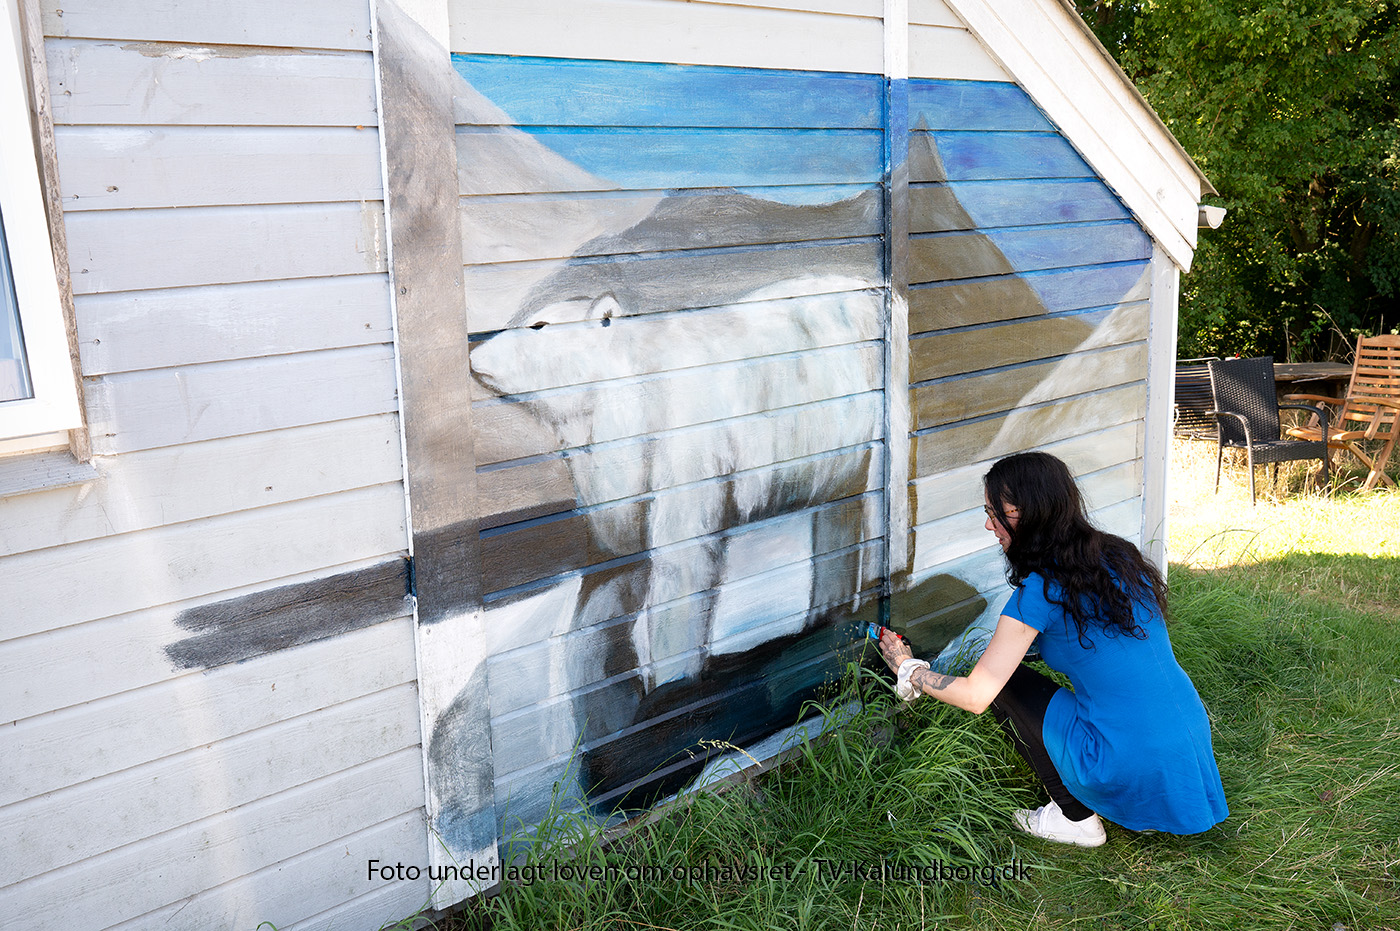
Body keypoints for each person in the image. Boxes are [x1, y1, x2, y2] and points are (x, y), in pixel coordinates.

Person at [877, 451, 1228, 846]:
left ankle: (1074, 818)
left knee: (1004, 684)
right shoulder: (1115, 556)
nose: (989, 524)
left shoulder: (1039, 592)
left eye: (998, 513)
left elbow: (977, 696)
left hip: (1132, 757)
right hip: (1187, 737)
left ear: (1032, 514)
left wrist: (910, 671)